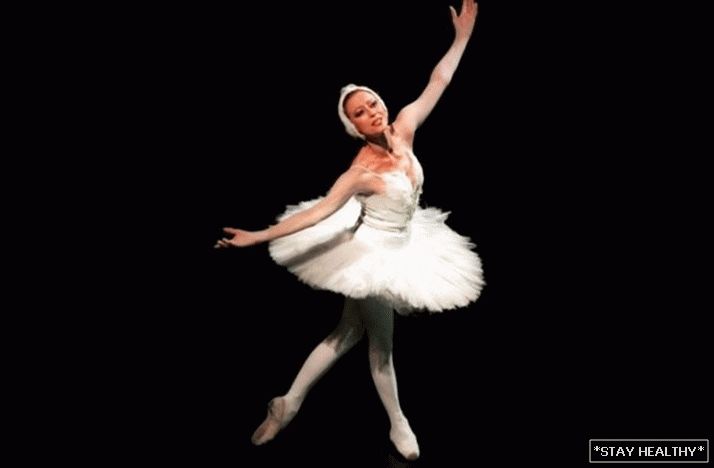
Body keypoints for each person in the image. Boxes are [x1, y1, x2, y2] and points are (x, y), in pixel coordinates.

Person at [215, 0, 483, 460]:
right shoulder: (361, 171)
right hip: (371, 256)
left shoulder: (404, 128)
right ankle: (398, 424)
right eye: (360, 112)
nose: (371, 111)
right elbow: (319, 212)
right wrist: (257, 236)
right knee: (381, 344)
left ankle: (287, 404)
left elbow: (438, 81)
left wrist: (461, 38)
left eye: (372, 103)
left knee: (347, 332)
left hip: (406, 241)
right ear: (353, 126)